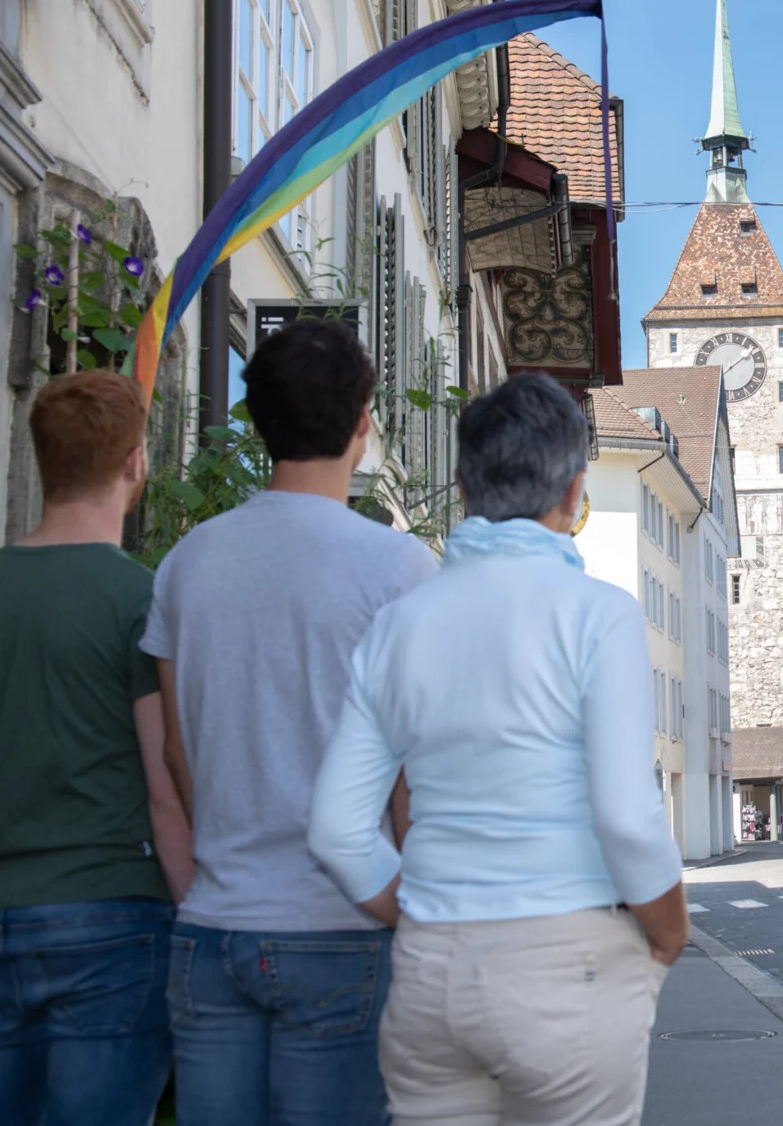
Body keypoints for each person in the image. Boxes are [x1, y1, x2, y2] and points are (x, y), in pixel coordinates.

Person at [308, 372, 688, 1126]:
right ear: (576, 492)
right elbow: (626, 814)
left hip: (430, 973)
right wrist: (668, 930)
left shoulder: (399, 623)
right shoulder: (600, 616)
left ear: (461, 482)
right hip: (566, 961)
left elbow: (335, 828)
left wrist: (416, 909)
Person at [145, 319, 440, 1126]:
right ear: (363, 424)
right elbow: (418, 779)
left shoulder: (188, 562)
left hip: (215, 921)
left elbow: (176, 752)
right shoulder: (399, 567)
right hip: (342, 923)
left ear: (256, 418)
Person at [0, 371, 192, 1125]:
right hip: (114, 912)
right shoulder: (143, 601)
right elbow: (166, 776)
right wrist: (197, 905)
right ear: (135, 463)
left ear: (41, 458)